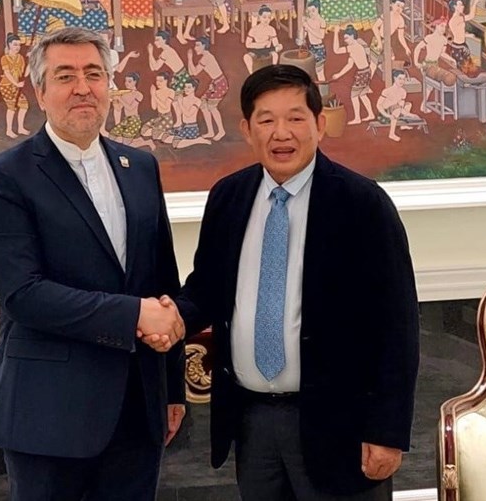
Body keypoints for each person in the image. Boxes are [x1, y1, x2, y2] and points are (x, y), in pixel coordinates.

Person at [149, 64, 420, 500]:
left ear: (319, 124)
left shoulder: (362, 203)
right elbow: (208, 289)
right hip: (253, 422)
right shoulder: (228, 197)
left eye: (295, 118)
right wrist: (172, 317)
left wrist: (387, 431)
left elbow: (398, 324)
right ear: (247, 129)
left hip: (340, 426)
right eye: (266, 120)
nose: (282, 133)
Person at [0, 27, 187, 501]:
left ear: (109, 84)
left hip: (138, 408)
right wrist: (132, 315)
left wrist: (171, 387)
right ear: (40, 91)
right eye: (65, 76)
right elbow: (22, 294)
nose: (82, 87)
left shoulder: (141, 167)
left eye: (94, 74)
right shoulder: (3, 178)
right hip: (49, 415)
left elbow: (161, 282)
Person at [329, 24, 376, 125]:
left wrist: (336, 33)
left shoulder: (354, 47)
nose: (345, 40)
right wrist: (339, 74)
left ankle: (357, 118)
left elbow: (336, 50)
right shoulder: (356, 46)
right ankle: (371, 114)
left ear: (352, 36)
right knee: (362, 95)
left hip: (362, 73)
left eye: (346, 38)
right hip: (366, 72)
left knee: (354, 96)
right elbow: (349, 65)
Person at [187, 36, 228, 140]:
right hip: (215, 83)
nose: (195, 48)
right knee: (203, 105)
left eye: (198, 45)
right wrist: (189, 60)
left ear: (204, 46)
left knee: (212, 107)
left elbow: (194, 72)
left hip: (219, 84)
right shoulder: (205, 57)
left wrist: (190, 59)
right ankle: (210, 131)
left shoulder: (207, 58)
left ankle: (221, 131)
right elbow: (192, 73)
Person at [0, 33, 30, 139]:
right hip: (6, 86)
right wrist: (16, 83)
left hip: (17, 86)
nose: (17, 47)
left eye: (19, 45)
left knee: (24, 105)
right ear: (9, 45)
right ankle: (9, 130)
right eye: (15, 44)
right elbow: (7, 73)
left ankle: (20, 128)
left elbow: (24, 74)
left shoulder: (20, 58)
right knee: (11, 107)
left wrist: (30, 62)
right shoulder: (4, 58)